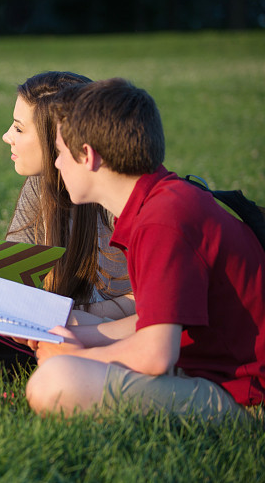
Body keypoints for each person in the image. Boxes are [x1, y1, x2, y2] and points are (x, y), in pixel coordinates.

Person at [25, 78, 265, 420]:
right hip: (213, 372)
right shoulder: (160, 203)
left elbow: (155, 354)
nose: (57, 164)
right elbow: (154, 321)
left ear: (88, 156)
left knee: (54, 382)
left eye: (61, 153)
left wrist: (75, 357)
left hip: (242, 394)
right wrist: (78, 334)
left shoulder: (161, 222)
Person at [3, 71, 134, 322]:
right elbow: (10, 283)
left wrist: (71, 316)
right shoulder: (39, 187)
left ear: (58, 139)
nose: (6, 136)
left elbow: (149, 302)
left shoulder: (119, 203)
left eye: (19, 129)